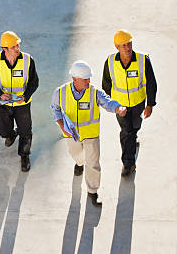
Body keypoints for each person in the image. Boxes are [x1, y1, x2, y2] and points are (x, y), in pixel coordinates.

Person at [51, 60, 126, 207]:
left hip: (91, 136)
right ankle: (79, 163)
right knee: (77, 155)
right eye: (85, 79)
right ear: (74, 79)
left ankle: (93, 191)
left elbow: (108, 102)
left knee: (93, 163)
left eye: (89, 78)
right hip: (71, 135)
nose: (88, 81)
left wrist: (118, 108)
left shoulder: (94, 92)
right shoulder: (60, 92)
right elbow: (55, 109)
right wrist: (62, 126)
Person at [102, 30, 157, 176]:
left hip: (138, 102)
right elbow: (106, 84)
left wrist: (150, 104)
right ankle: (128, 164)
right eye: (124, 45)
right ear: (117, 47)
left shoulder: (142, 60)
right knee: (126, 132)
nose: (127, 47)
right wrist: (113, 104)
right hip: (120, 106)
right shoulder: (110, 61)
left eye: (129, 44)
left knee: (135, 127)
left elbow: (151, 83)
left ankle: (133, 139)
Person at [0, 31, 39, 172]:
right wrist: (0, 95)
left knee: (25, 131)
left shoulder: (28, 60)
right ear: (5, 49)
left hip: (22, 104)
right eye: (14, 47)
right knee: (3, 130)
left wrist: (25, 96)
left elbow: (34, 83)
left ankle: (24, 156)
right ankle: (10, 134)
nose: (17, 49)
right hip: (3, 104)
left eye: (18, 45)